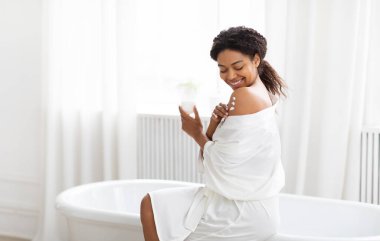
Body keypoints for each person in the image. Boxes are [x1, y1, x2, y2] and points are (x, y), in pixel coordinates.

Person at [140, 26, 287, 241]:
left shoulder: (244, 95)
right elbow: (227, 154)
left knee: (151, 206)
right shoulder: (262, 89)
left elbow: (222, 163)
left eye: (238, 66)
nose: (230, 76)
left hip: (241, 210)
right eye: (223, 69)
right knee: (153, 204)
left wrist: (196, 133)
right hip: (257, 205)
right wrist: (213, 125)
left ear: (256, 60)